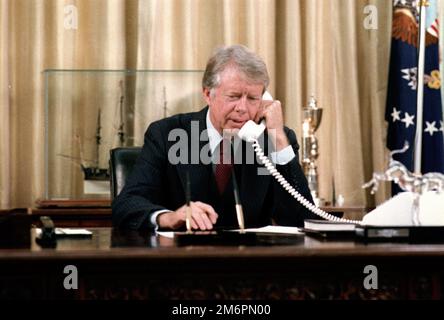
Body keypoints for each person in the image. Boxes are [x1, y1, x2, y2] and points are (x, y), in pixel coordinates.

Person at [112, 44, 318, 231]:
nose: (243, 109)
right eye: (234, 97)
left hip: (251, 264)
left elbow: (303, 220)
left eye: (253, 99)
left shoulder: (271, 138)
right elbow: (127, 204)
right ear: (208, 94)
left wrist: (279, 140)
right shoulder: (167, 134)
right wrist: (169, 217)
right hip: (182, 262)